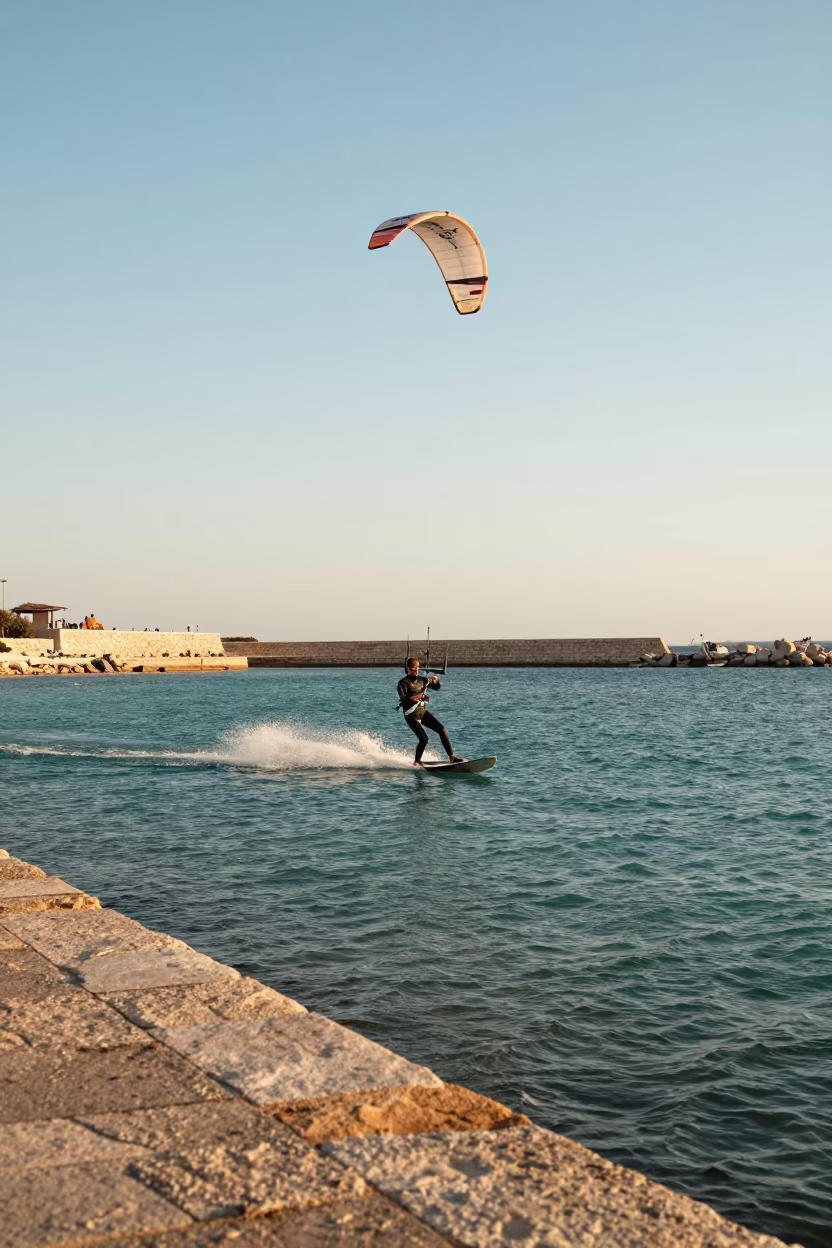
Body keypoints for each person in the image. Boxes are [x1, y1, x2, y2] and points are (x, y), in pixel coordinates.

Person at [397, 656, 462, 766]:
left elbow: (437, 688)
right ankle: (417, 762)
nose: (415, 669)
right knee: (424, 739)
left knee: (442, 730)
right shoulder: (403, 683)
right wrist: (414, 698)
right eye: (413, 667)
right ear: (408, 668)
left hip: (422, 712)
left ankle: (452, 757)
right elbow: (403, 699)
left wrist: (436, 680)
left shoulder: (423, 680)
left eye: (417, 667)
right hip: (410, 715)